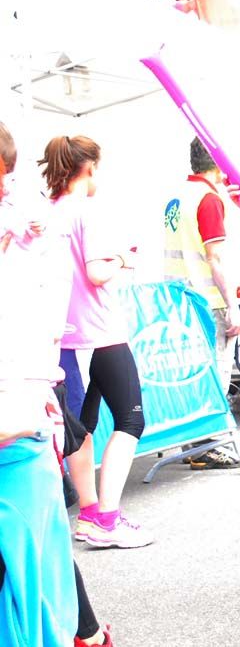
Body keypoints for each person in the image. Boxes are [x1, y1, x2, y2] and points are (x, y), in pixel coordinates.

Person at [39, 136, 153, 550]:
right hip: (98, 332)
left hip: (61, 336)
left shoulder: (47, 212)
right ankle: (107, 518)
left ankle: (91, 516)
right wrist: (123, 257)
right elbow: (97, 273)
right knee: (131, 420)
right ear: (88, 167)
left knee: (80, 427)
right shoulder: (87, 210)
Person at [0, 121, 80, 647]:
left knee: (41, 583)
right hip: (19, 429)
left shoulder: (27, 230)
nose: (5, 190)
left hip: (24, 431)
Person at [163, 138, 240, 469]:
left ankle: (194, 444)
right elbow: (215, 258)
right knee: (215, 372)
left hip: (179, 298)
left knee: (191, 371)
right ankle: (208, 444)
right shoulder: (209, 199)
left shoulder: (177, 195)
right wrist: (233, 306)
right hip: (207, 299)